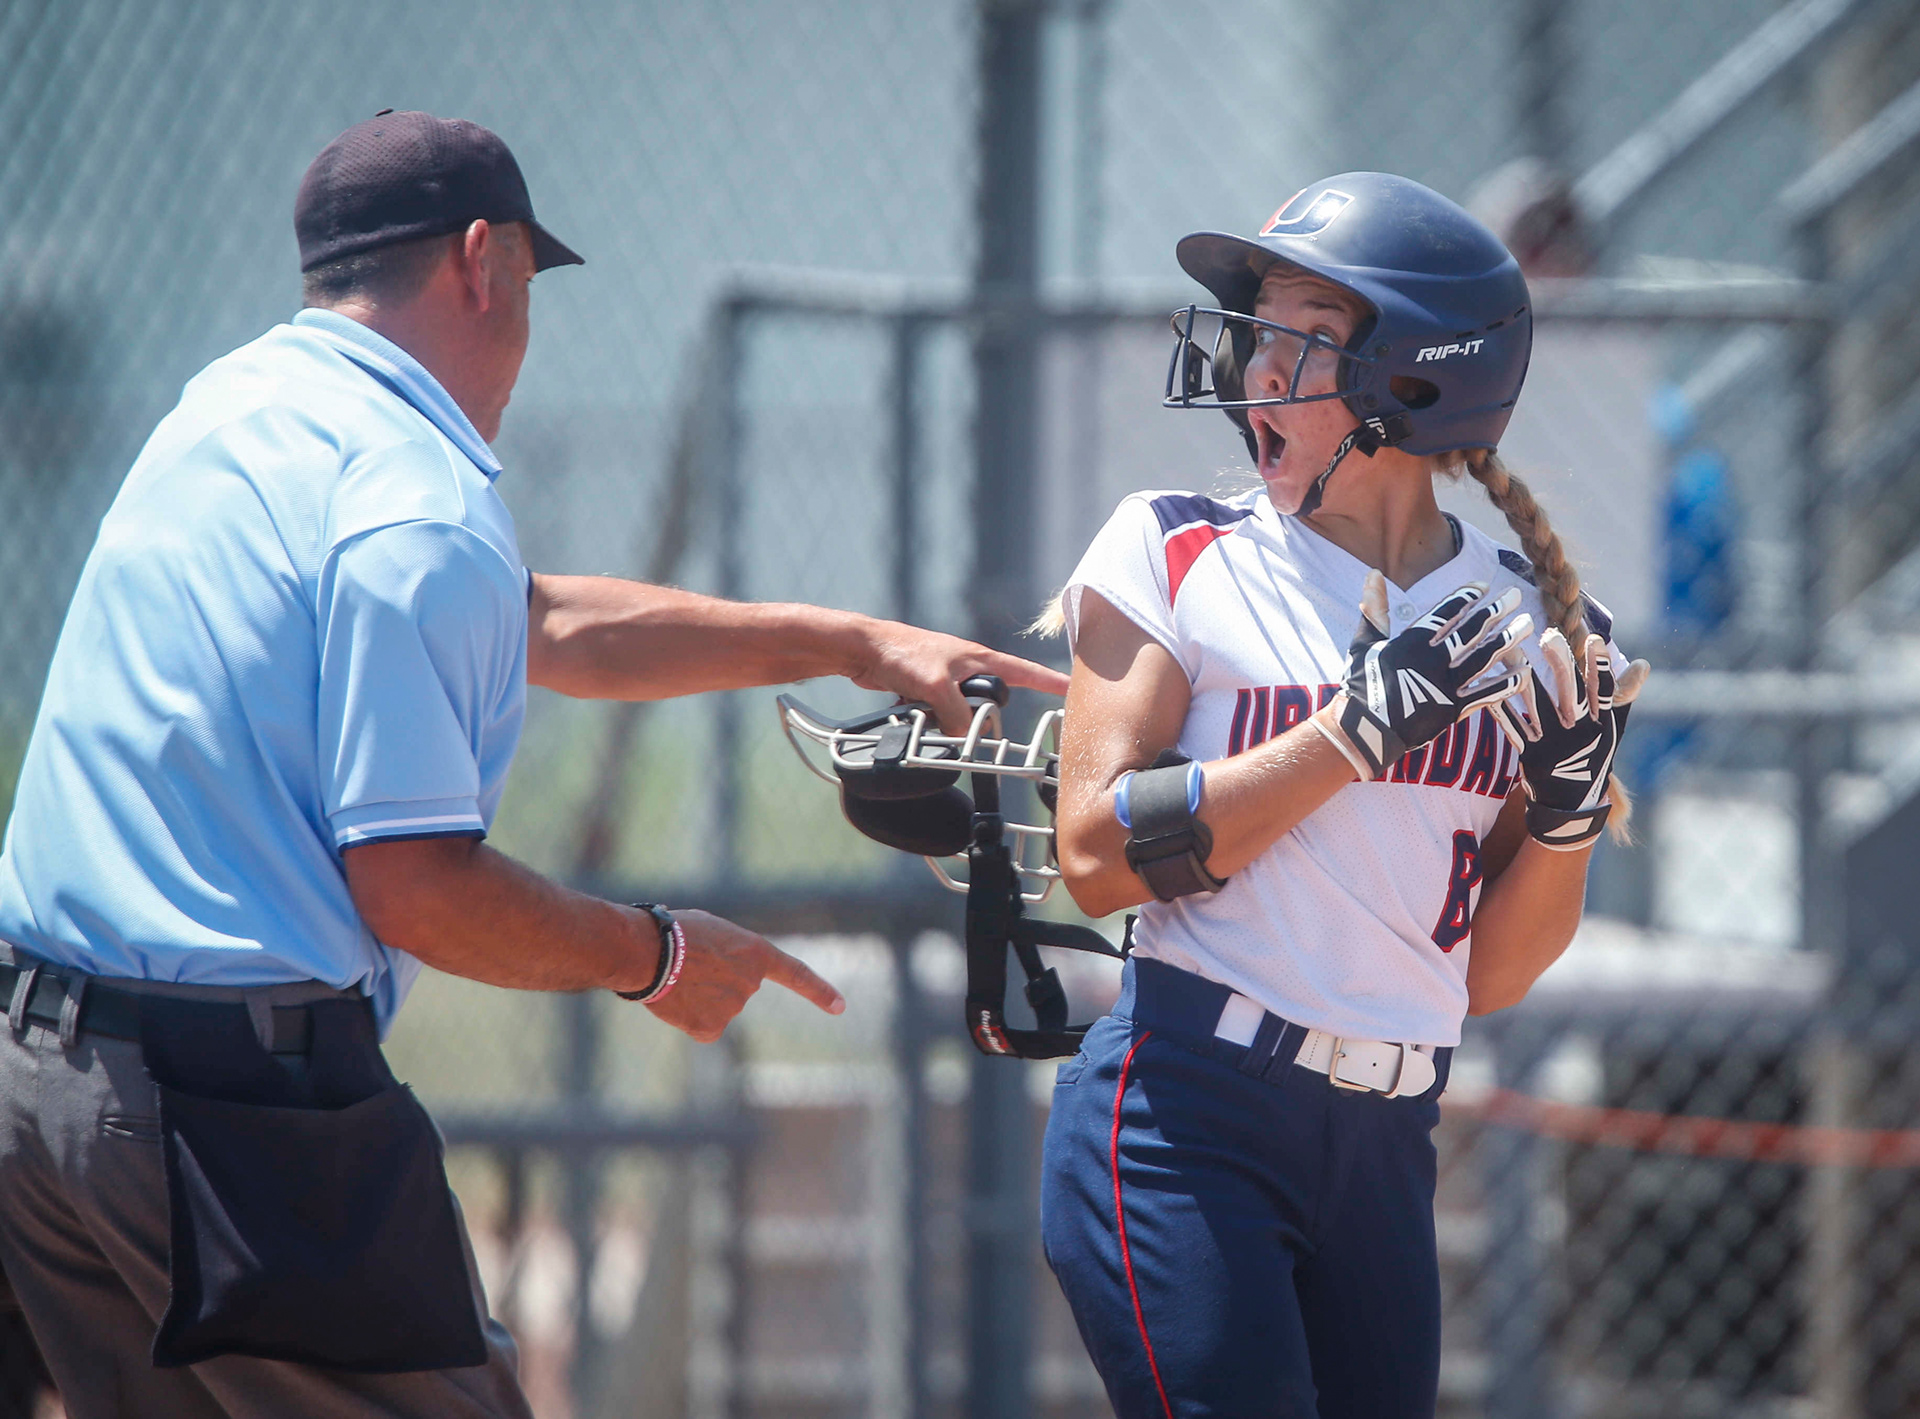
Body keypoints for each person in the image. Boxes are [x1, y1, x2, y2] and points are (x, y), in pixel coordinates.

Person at [0, 111, 1065, 1419]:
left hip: (36, 1079)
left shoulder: (229, 412)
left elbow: (537, 616)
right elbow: (420, 889)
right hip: (223, 1109)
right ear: (481, 261)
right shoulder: (414, 494)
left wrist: (846, 639)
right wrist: (659, 954)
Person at [1035, 172, 1648, 1418]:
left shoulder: (1528, 618)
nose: (1257, 368)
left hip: (1386, 1142)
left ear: (1413, 380)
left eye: (1301, 337)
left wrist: (1571, 829)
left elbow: (1488, 979)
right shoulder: (1174, 548)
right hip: (1185, 1112)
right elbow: (1095, 854)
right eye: (1260, 331)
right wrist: (1353, 733)